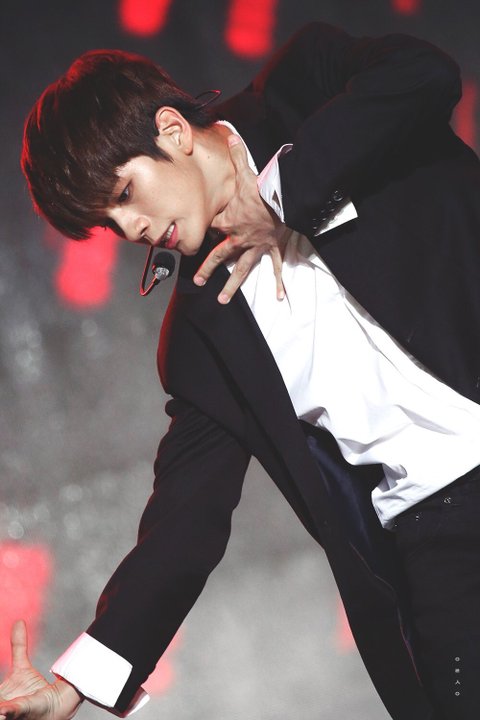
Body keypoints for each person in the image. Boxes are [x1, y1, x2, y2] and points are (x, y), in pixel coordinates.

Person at [2, 20, 480, 720]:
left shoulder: (306, 89)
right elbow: (183, 527)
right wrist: (75, 685)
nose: (129, 229)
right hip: (441, 536)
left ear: (172, 132)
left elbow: (423, 76)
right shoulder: (202, 335)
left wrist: (281, 195)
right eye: (108, 222)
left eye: (124, 193)